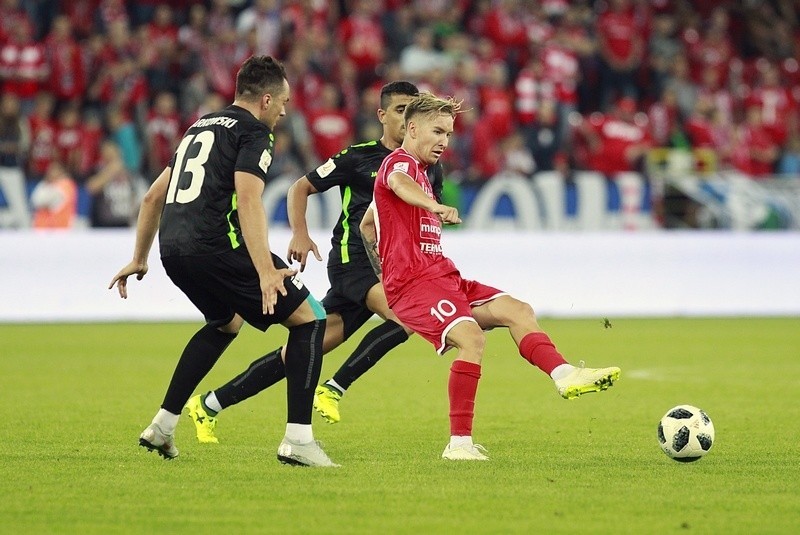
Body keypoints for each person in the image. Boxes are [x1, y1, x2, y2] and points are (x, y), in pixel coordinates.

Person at [360, 92, 621, 461]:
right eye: (437, 132)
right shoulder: (398, 164)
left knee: (516, 309)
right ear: (412, 128)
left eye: (449, 134)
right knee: (471, 340)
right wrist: (430, 210)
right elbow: (400, 187)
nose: (444, 142)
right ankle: (459, 445)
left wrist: (382, 265)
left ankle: (564, 374)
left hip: (442, 277)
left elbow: (367, 223)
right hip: (416, 284)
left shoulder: (417, 172)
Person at [109, 55, 337, 468]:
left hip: (173, 250)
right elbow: (248, 199)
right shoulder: (254, 133)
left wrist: (139, 258)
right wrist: (266, 270)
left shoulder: (200, 126)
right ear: (266, 99)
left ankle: (162, 426)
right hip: (216, 244)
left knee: (225, 322)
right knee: (311, 319)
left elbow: (152, 197)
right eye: (283, 101)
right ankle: (299, 440)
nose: (285, 111)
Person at [185, 81, 442, 443]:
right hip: (355, 261)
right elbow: (299, 187)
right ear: (382, 116)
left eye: (413, 111)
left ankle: (210, 404)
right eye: (400, 110)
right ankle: (335, 388)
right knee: (409, 317)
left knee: (300, 352)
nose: (407, 118)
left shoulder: (428, 168)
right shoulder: (358, 157)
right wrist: (300, 234)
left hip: (391, 268)